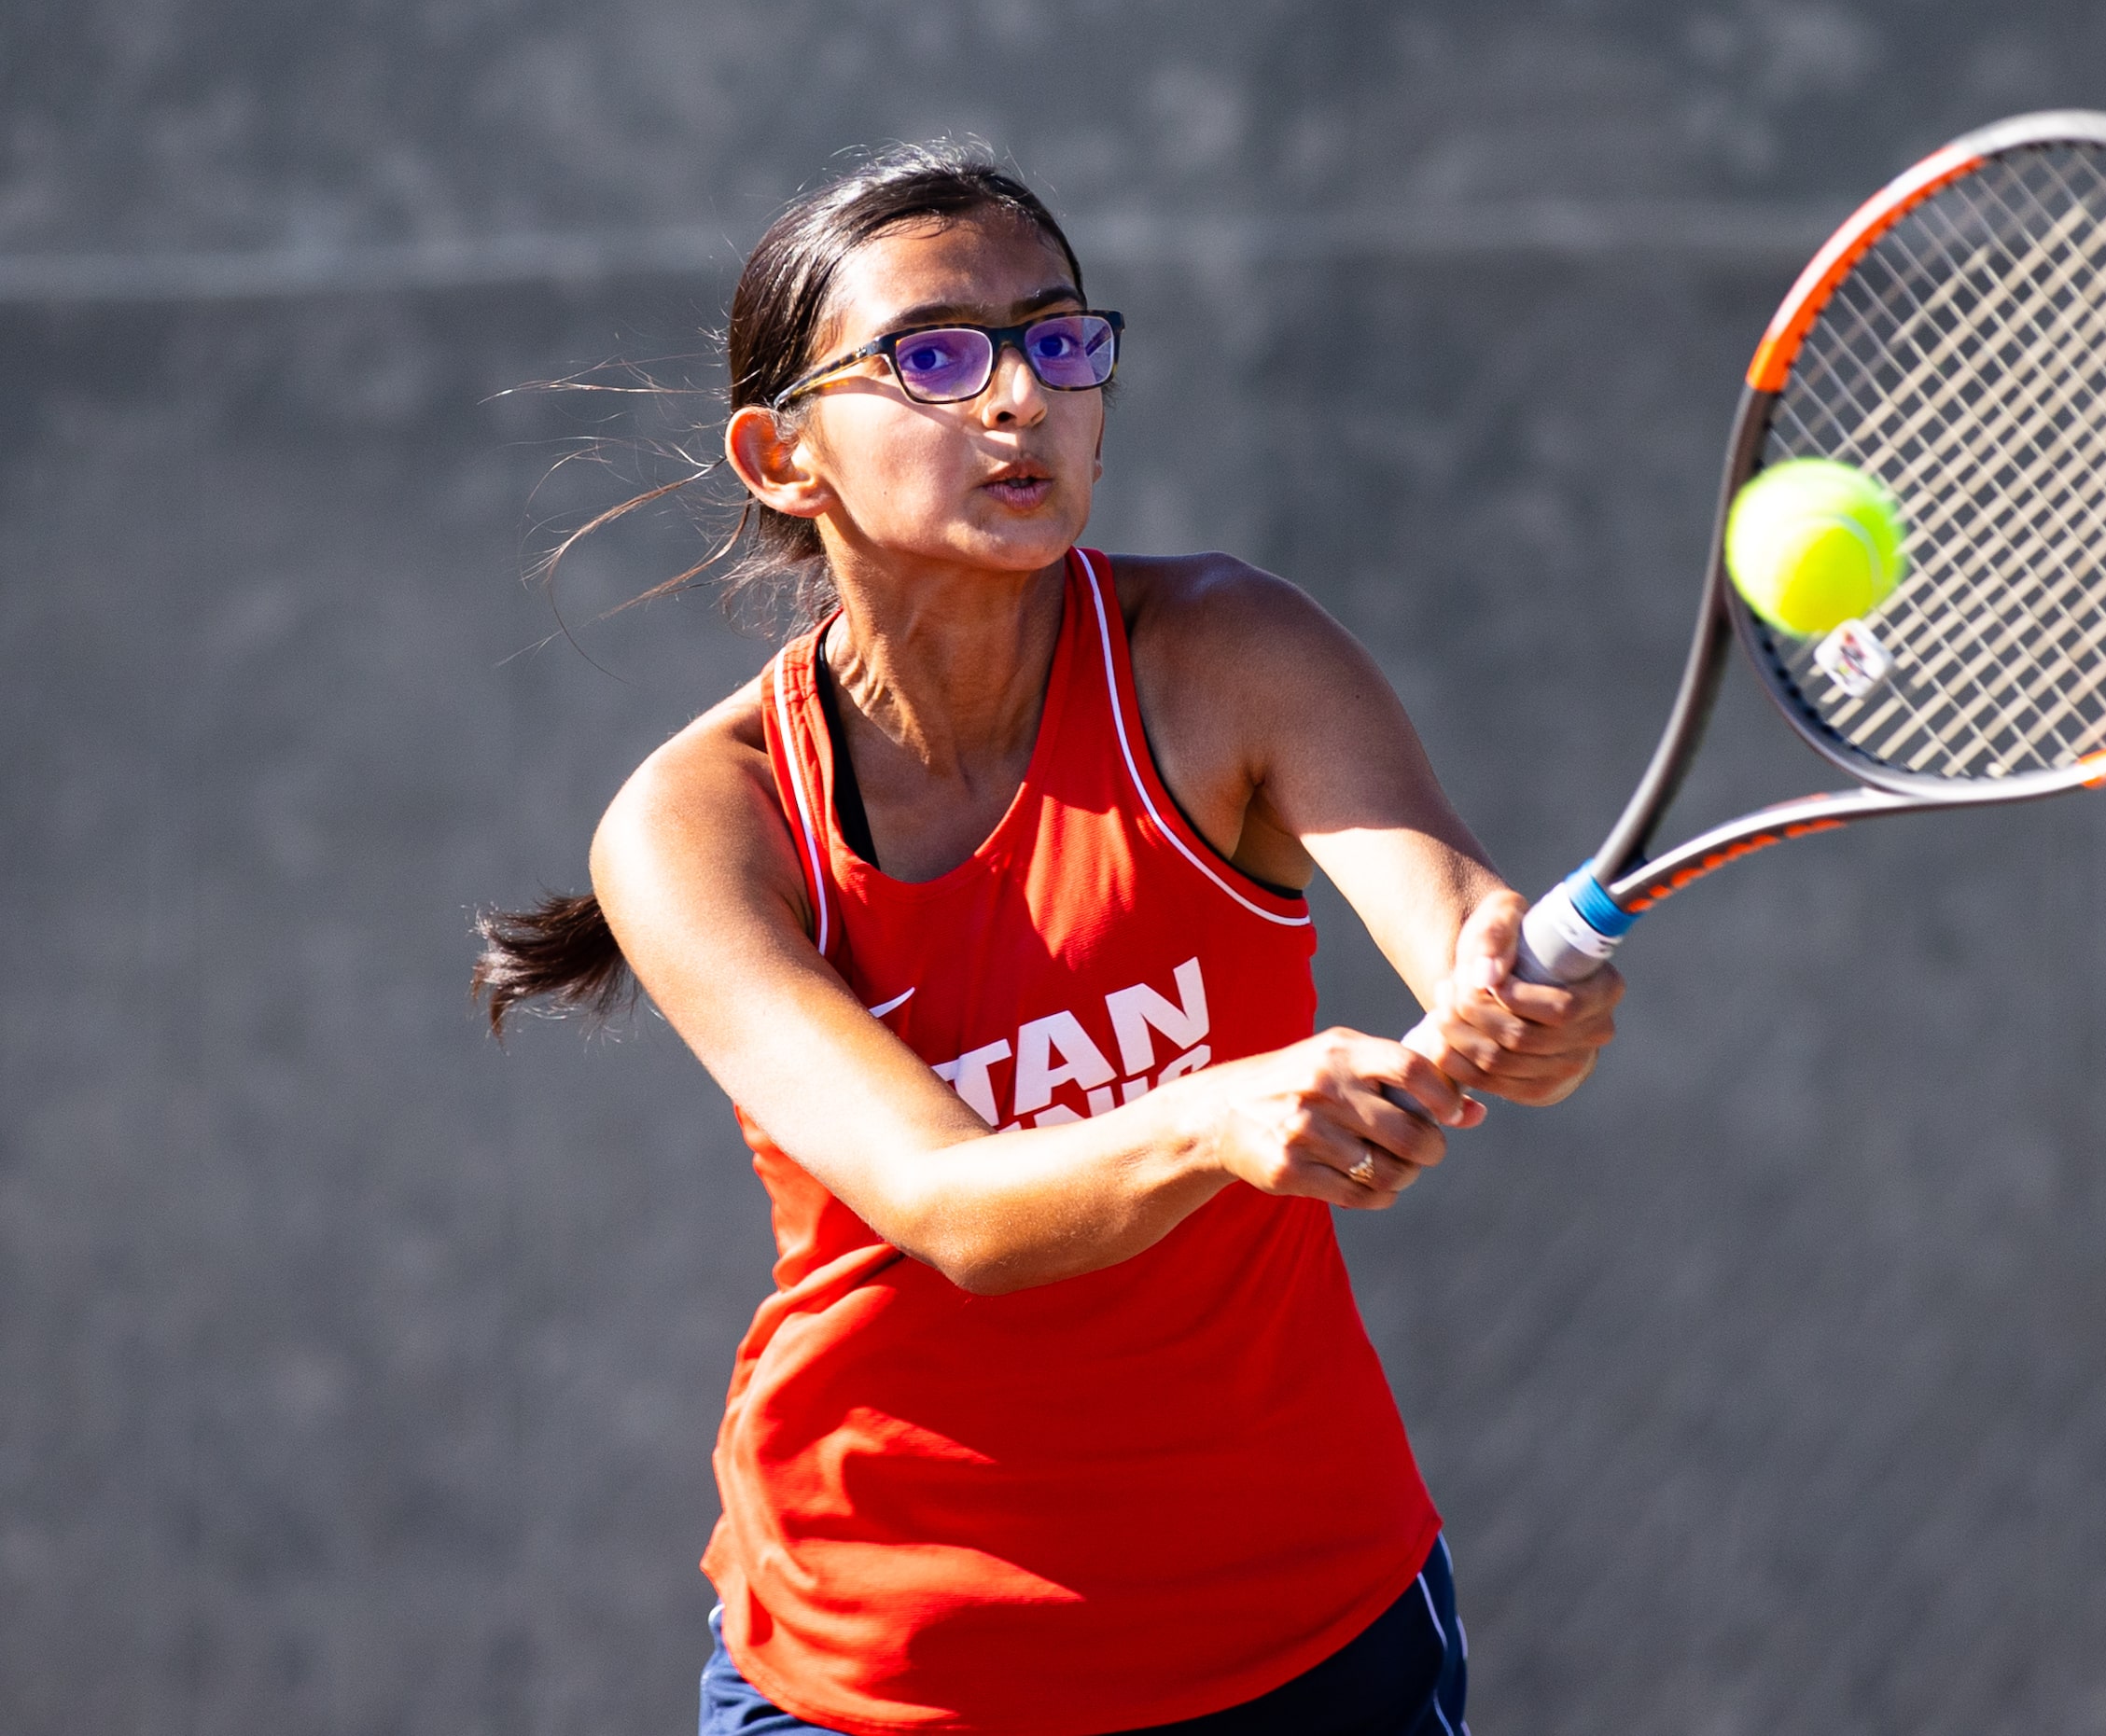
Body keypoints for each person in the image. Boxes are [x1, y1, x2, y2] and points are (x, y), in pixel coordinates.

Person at [475, 146, 1621, 1736]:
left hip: (1303, 1634)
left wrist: (1512, 1001)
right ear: (783, 454)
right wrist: (1219, 1112)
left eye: (1061, 338)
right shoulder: (696, 824)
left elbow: (1457, 932)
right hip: (881, 1670)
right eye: (936, 355)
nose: (1021, 398)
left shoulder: (1228, 654)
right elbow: (957, 1209)